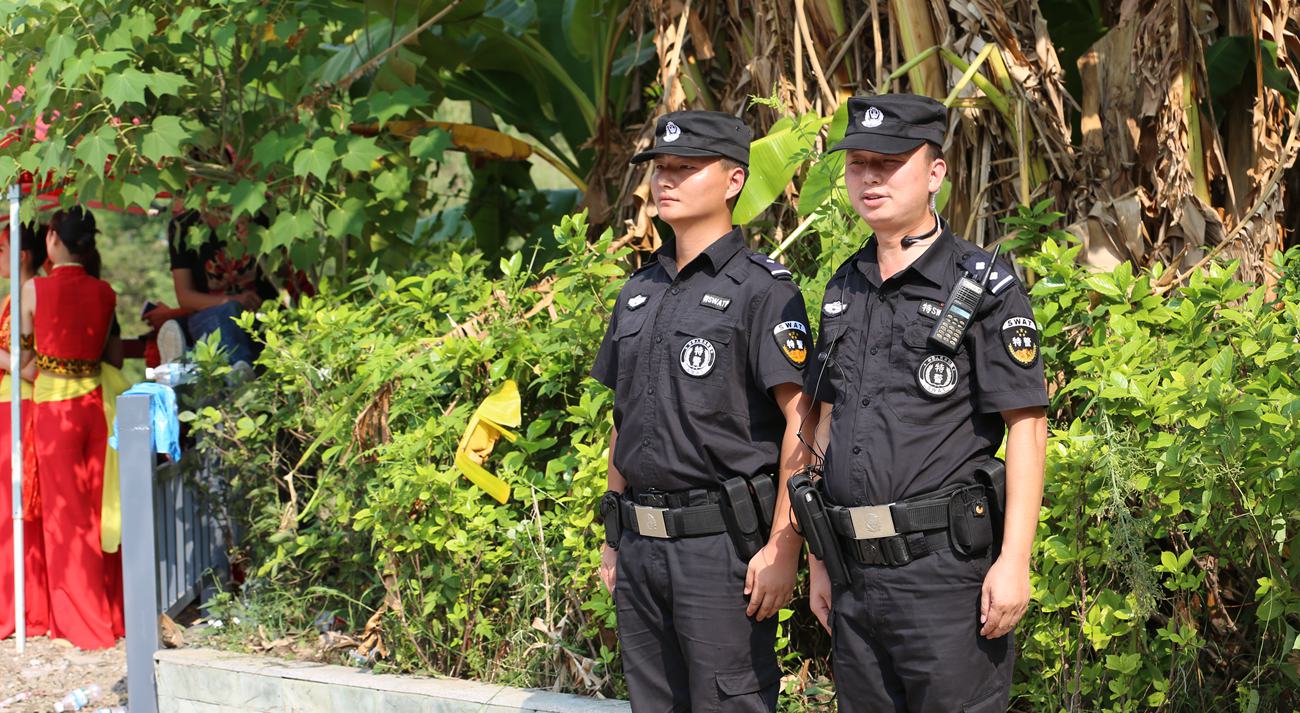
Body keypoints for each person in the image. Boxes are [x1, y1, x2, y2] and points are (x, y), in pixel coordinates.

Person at [801, 95, 1048, 712]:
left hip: (944, 578)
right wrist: (818, 558)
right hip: (854, 574)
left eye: (889, 163)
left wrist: (1015, 561)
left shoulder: (983, 284)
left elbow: (1026, 425)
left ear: (935, 172)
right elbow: (824, 424)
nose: (870, 177)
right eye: (858, 163)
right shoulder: (843, 286)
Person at [590, 111, 811, 712]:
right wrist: (613, 537)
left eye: (685, 168)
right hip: (640, 547)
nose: (666, 180)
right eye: (660, 168)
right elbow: (624, 419)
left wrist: (783, 547)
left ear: (734, 181)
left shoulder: (764, 290)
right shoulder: (638, 291)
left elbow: (802, 421)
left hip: (720, 550)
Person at [20, 207, 124, 649]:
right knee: (97, 512)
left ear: (52, 240)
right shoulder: (105, 292)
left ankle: (80, 620)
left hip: (55, 413)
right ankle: (107, 612)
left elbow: (26, 361)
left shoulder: (33, 289)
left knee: (66, 518)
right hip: (94, 408)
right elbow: (106, 353)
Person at [0, 222, 48, 640]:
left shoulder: (32, 296)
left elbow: (32, 368)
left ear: (21, 254)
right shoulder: (14, 297)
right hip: (8, 404)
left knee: (15, 504)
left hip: (19, 405)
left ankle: (24, 605)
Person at [163, 208, 276, 366]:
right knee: (227, 312)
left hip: (263, 318)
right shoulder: (183, 225)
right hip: (212, 318)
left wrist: (257, 245)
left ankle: (233, 372)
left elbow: (286, 275)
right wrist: (233, 301)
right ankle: (237, 371)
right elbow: (185, 297)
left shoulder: (262, 214)